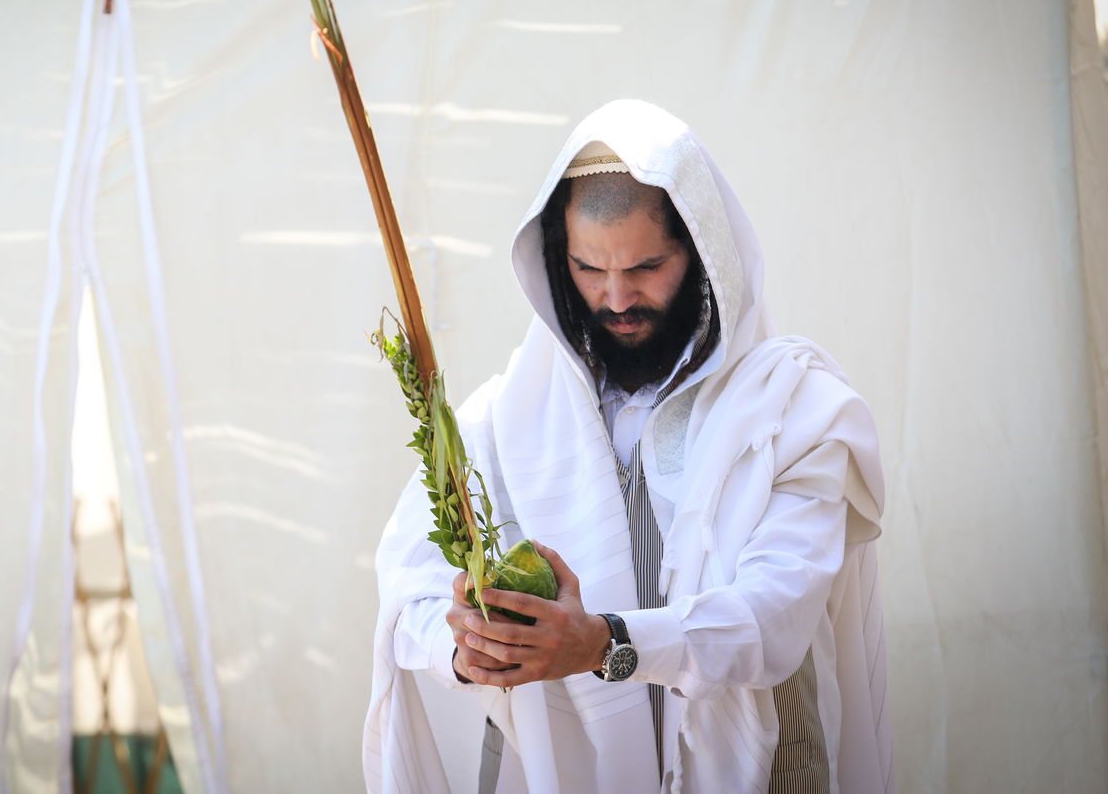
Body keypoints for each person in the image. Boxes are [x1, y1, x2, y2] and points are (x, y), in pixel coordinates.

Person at [364, 101, 891, 793]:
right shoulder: (503, 421)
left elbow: (771, 615)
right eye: (589, 268)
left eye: (645, 266)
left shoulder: (793, 408)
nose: (616, 298)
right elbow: (409, 589)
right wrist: (468, 646)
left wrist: (604, 642)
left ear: (702, 254)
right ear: (558, 263)